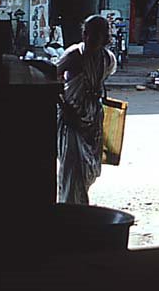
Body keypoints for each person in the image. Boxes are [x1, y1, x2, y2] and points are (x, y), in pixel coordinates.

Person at [56, 15, 117, 204]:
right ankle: (71, 213)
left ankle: (78, 210)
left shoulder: (108, 59)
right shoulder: (75, 55)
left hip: (93, 121)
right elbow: (52, 79)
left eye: (96, 35)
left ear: (105, 37)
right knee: (71, 172)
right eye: (88, 34)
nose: (90, 39)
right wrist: (65, 108)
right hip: (71, 120)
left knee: (88, 169)